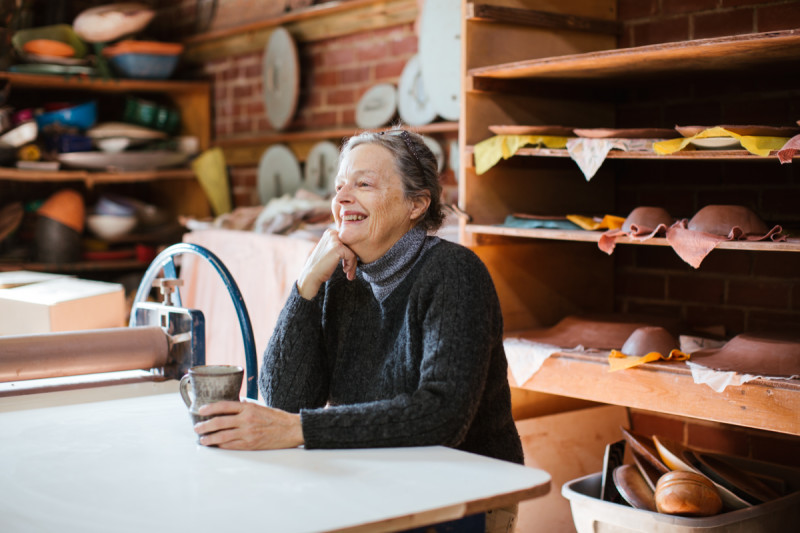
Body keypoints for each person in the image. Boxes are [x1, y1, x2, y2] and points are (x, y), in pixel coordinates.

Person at [194, 128, 524, 529]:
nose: (342, 198)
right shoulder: (340, 279)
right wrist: (307, 283)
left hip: (462, 497)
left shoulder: (454, 273)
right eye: (339, 187)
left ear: (416, 204)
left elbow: (442, 416)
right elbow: (285, 398)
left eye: (363, 184)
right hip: (374, 481)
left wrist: (298, 430)